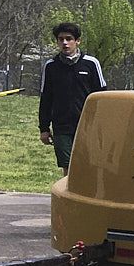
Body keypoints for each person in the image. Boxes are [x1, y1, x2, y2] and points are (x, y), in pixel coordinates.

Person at [37, 21, 106, 173]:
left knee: (89, 166)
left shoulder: (91, 64)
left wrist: (102, 125)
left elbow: (102, 97)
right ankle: (68, 196)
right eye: (61, 39)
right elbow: (46, 99)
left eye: (69, 39)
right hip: (62, 127)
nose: (65, 43)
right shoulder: (51, 66)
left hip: (87, 126)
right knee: (68, 169)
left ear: (77, 41)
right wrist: (44, 128)